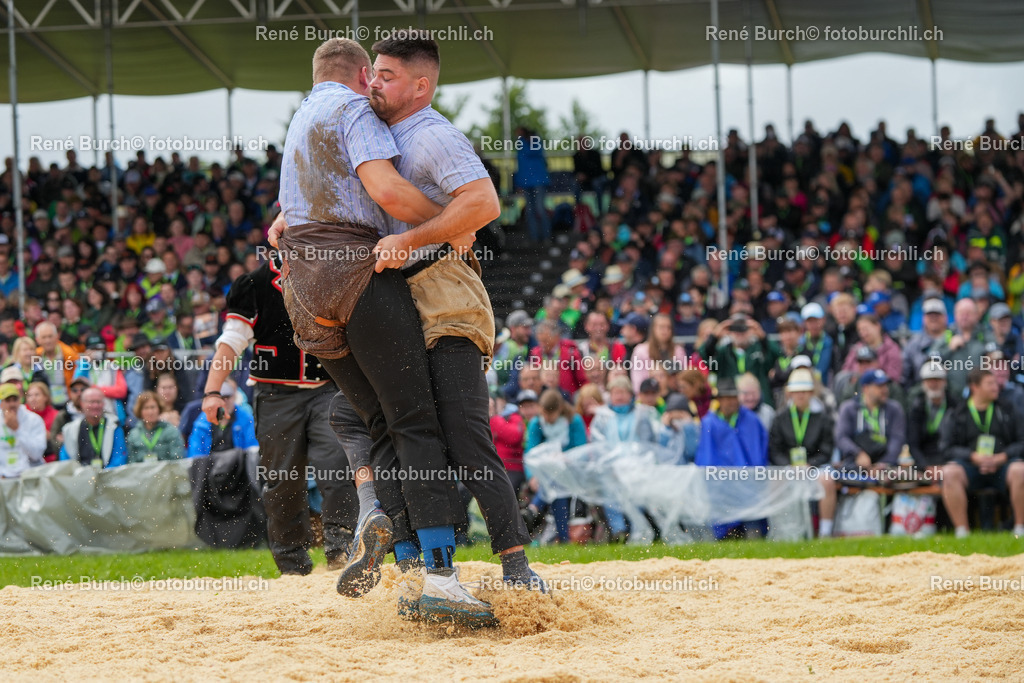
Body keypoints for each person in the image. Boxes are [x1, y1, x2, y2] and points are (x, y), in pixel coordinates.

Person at [270, 38, 503, 625]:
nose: (375, 86)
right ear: (357, 76)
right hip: (354, 271)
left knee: (375, 421)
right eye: (373, 75)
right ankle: (442, 578)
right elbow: (390, 194)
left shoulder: (301, 117)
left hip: (302, 288)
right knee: (414, 420)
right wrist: (452, 228)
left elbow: (284, 220)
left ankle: (402, 564)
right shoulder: (353, 111)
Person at [201, 251, 359, 576]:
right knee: (282, 479)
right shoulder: (253, 284)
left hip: (329, 390)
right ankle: (292, 565)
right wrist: (212, 391)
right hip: (275, 395)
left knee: (336, 468)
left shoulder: (334, 275)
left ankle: (341, 553)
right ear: (277, 238)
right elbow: (232, 340)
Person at [939, 368, 1024, 538]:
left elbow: (1022, 441)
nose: (996, 387)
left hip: (1003, 466)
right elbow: (946, 448)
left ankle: (1020, 529)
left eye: (995, 383)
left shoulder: (1007, 408)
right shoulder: (957, 413)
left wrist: (1003, 457)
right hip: (971, 467)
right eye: (990, 383)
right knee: (949, 472)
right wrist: (972, 456)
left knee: (1020, 470)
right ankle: (962, 531)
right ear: (974, 387)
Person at [695, 377, 769, 539]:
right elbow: (705, 456)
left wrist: (754, 476)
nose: (730, 402)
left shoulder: (751, 420)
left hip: (748, 484)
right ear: (719, 401)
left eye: (733, 398)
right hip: (720, 485)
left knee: (753, 529)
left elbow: (758, 452)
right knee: (723, 530)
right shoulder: (709, 423)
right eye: (725, 398)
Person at [589, 376, 659, 541]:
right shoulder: (602, 418)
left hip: (637, 468)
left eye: (623, 392)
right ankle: (618, 530)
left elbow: (648, 444)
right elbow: (597, 445)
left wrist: (639, 465)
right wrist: (610, 465)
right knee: (609, 489)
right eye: (615, 393)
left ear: (630, 394)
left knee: (638, 491)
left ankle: (638, 529)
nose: (619, 396)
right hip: (611, 469)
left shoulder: (642, 415)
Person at [768, 368, 837, 536]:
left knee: (827, 481)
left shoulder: (822, 418)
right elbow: (775, 450)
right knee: (774, 480)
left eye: (805, 391)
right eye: (797, 392)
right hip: (789, 467)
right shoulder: (780, 418)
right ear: (789, 393)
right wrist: (789, 466)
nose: (801, 396)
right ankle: (781, 529)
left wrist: (810, 465)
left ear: (812, 393)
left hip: (814, 467)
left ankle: (825, 531)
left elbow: (826, 449)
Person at [523, 389, 589, 544]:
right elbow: (530, 452)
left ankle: (534, 508)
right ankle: (564, 538)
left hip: (571, 470)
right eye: (544, 413)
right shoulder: (536, 423)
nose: (546, 418)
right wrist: (531, 476)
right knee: (555, 485)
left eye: (549, 415)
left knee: (556, 482)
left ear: (559, 410)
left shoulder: (574, 421)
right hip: (544, 473)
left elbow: (581, 451)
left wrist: (564, 458)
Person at [906, 360, 953, 481]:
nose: (933, 384)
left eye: (937, 380)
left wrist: (944, 467)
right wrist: (926, 467)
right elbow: (913, 444)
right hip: (924, 462)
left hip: (949, 461)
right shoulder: (916, 407)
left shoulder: (956, 406)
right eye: (929, 380)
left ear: (944, 381)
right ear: (923, 383)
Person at [58, 386, 127, 468]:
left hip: (109, 476)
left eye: (98, 402)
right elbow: (66, 460)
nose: (95, 406)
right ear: (82, 403)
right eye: (91, 402)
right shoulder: (71, 429)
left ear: (103, 404)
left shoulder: (114, 426)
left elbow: (119, 458)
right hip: (81, 476)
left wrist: (101, 476)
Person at [630, 313, 686, 395]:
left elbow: (683, 378)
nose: (665, 331)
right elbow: (637, 382)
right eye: (661, 327)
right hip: (649, 395)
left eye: (668, 327)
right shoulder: (640, 350)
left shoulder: (678, 351)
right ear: (653, 329)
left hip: (673, 394)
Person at [0, 382, 48, 479]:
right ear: (1, 403)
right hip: (4, 477)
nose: (12, 404)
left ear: (20, 400)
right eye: (8, 400)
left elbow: (36, 454)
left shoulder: (34, 419)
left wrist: (17, 430)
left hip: (29, 474)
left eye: (15, 399)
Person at [126, 391, 186, 463]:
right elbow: (131, 462)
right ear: (140, 411)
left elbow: (177, 459)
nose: (150, 412)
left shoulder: (171, 431)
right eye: (146, 408)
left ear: (159, 409)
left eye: (153, 407)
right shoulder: (133, 434)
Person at [658, 393, 700, 465]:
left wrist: (688, 428)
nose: (677, 423)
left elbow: (692, 452)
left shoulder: (694, 428)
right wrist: (666, 429)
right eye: (673, 419)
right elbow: (661, 452)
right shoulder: (663, 430)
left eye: (680, 418)